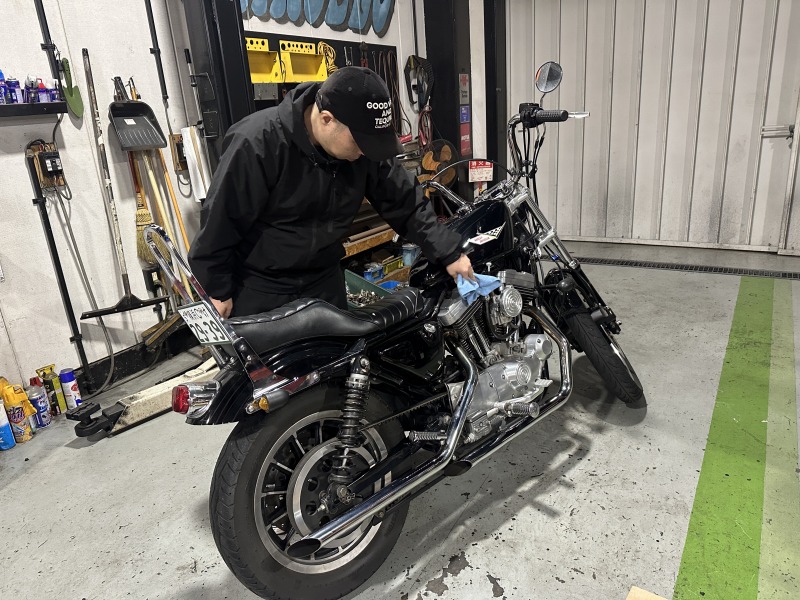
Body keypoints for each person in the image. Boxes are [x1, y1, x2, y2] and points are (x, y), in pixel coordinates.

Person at [188, 66, 474, 318]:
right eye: (360, 142)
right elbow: (220, 221)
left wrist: (448, 252)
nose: (365, 152)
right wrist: (217, 289)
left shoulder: (363, 152)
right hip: (263, 289)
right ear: (326, 119)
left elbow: (404, 201)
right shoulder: (256, 143)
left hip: (324, 282)